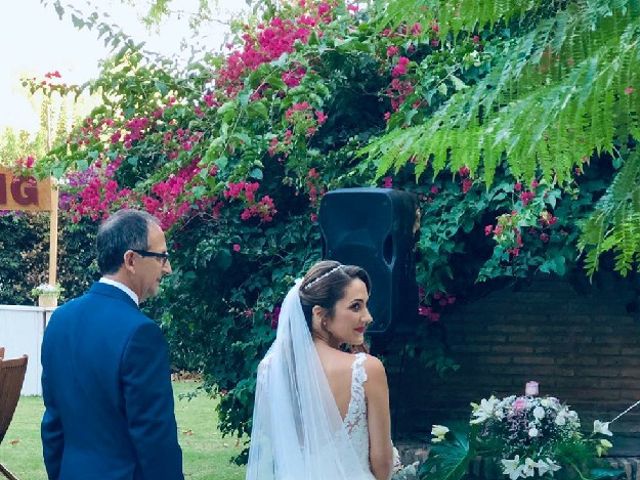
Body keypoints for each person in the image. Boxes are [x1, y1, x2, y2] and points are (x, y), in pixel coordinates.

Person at [41, 209, 184, 480]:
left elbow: (53, 425)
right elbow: (155, 439)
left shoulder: (60, 321)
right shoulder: (141, 333)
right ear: (131, 260)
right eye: (161, 256)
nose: (167, 268)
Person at [246, 260, 394, 480]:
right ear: (321, 315)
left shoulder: (270, 369)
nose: (368, 317)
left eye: (366, 304)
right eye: (356, 306)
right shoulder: (366, 370)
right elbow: (382, 463)